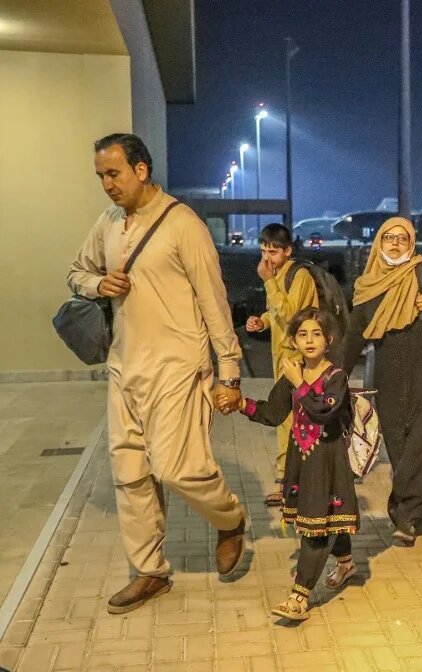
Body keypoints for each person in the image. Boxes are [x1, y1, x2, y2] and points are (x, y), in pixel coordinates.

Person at [68, 133, 245, 614]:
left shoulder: (183, 224)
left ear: (141, 170)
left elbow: (214, 300)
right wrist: (97, 282)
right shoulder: (107, 222)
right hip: (124, 368)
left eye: (114, 174)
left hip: (177, 369)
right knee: (130, 474)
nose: (107, 185)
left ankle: (230, 519)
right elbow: (75, 273)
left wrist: (228, 372)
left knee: (177, 468)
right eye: (101, 176)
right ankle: (150, 571)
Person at [225, 308, 357, 622]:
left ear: (329, 339)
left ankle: (299, 597)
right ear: (294, 340)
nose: (309, 340)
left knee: (315, 530)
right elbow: (273, 414)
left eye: (316, 334)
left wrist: (299, 382)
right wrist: (241, 403)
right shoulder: (292, 374)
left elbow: (322, 411)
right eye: (302, 334)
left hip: (328, 462)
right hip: (302, 462)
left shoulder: (336, 376)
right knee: (326, 517)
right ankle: (347, 563)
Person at [339, 217, 422, 546]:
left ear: (412, 242)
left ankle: (407, 514)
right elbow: (353, 337)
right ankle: (414, 502)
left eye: (403, 238)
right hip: (389, 374)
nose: (396, 243)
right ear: (378, 243)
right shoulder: (367, 285)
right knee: (399, 445)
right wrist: (333, 375)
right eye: (389, 237)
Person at [246, 223, 319, 507]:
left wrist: (267, 282)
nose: (267, 259)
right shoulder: (279, 275)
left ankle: (291, 483)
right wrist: (262, 321)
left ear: (288, 251)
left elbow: (292, 318)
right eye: (264, 251)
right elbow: (276, 312)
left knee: (292, 421)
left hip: (299, 361)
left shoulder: (298, 276)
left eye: (273, 252)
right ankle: (287, 481)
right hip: (283, 359)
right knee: (284, 420)